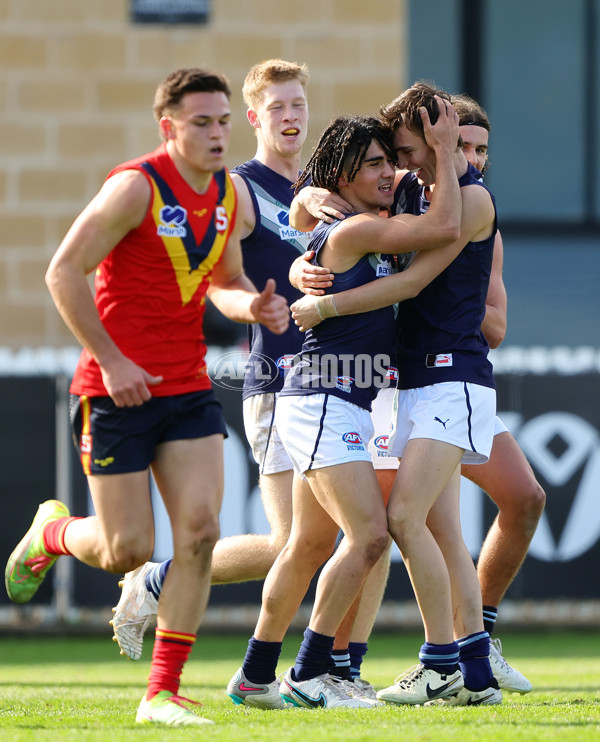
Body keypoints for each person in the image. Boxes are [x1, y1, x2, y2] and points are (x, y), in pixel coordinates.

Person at [4, 67, 289, 727]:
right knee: (125, 549)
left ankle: (162, 692)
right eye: (201, 123)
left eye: (223, 121)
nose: (217, 134)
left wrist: (255, 305)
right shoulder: (135, 187)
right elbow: (61, 272)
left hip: (186, 384)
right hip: (115, 389)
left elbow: (225, 280)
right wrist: (110, 359)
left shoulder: (229, 195)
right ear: (169, 128)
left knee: (199, 532)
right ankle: (53, 532)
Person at [108, 59, 391, 698]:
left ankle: (334, 672)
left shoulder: (330, 185)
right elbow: (221, 278)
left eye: (299, 105)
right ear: (255, 118)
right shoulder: (241, 187)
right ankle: (165, 584)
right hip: (278, 381)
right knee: (295, 543)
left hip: (350, 380)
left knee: (350, 535)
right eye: (278, 107)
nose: (292, 116)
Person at [290, 91, 542, 696]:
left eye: (409, 150)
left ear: (439, 137)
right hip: (415, 381)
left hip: (451, 377)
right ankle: (471, 671)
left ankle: (439, 663)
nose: (400, 165)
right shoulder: (412, 188)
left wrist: (324, 304)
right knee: (434, 529)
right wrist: (307, 206)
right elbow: (313, 201)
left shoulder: (471, 198)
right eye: (397, 154)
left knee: (398, 519)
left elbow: (418, 274)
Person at [227, 102, 466, 709]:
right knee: (369, 537)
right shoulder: (356, 230)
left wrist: (308, 198)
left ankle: (254, 677)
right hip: (322, 399)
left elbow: (361, 209)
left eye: (391, 160)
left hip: (338, 399)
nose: (389, 173)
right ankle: (311, 673)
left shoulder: (358, 220)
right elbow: (441, 230)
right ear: (342, 177)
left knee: (308, 546)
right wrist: (442, 150)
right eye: (373, 165)